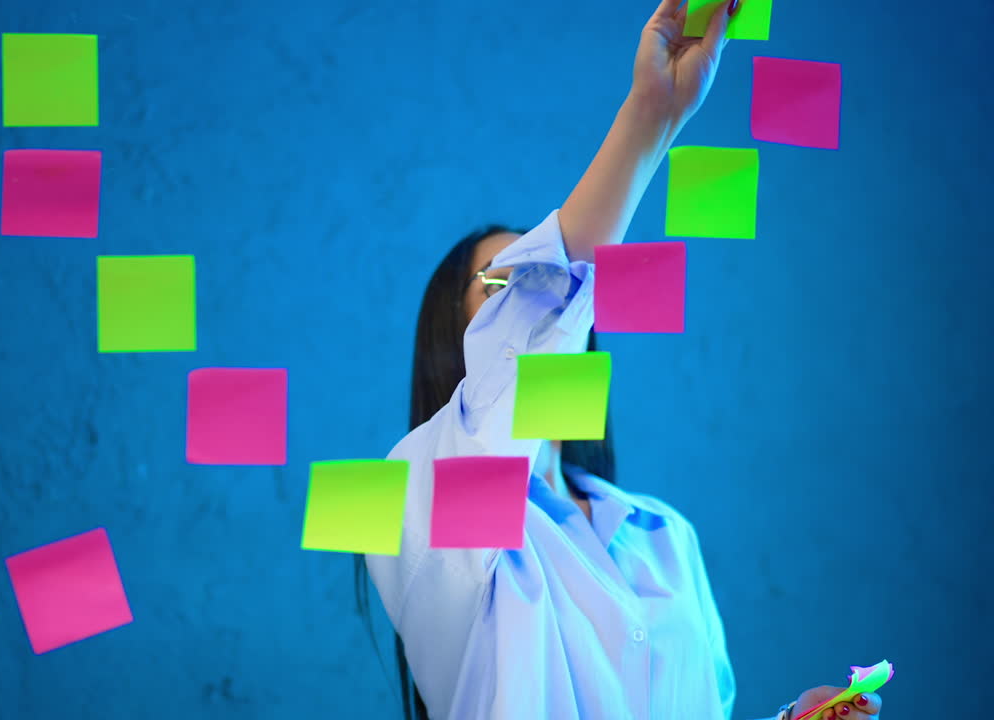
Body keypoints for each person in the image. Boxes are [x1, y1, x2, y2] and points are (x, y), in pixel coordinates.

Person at [354, 1, 888, 718]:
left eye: (533, 279)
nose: (531, 298)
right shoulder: (415, 492)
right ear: (453, 337)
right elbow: (538, 317)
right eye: (499, 284)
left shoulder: (664, 537)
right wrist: (651, 114)